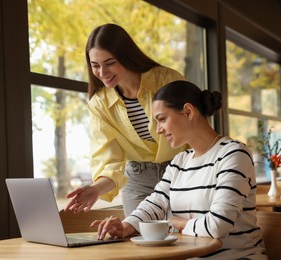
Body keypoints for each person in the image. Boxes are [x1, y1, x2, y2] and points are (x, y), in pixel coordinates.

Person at [91, 80, 267, 259]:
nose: (158, 130)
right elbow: (155, 204)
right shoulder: (180, 161)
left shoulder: (233, 154)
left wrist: (182, 225)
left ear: (188, 111)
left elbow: (217, 225)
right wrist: (125, 227)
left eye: (161, 119)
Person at [65, 23, 187, 216]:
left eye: (109, 63)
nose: (102, 73)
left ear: (126, 55)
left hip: (182, 172)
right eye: (95, 65)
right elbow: (110, 161)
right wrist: (95, 189)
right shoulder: (100, 103)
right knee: (137, 239)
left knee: (185, 237)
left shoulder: (167, 79)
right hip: (138, 180)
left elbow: (194, 129)